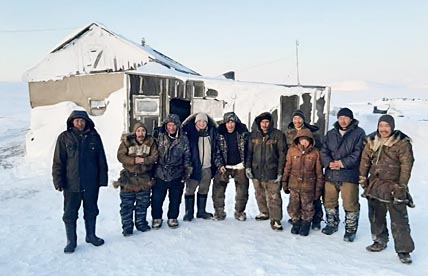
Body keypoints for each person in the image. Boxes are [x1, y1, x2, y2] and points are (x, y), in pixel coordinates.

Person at [359, 115, 415, 264]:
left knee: (399, 219)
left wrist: (401, 186)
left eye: (386, 126)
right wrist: (363, 178)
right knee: (376, 216)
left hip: (394, 185)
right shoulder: (372, 141)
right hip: (375, 184)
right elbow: (365, 160)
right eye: (381, 126)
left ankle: (404, 250)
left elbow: (406, 166)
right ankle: (379, 240)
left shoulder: (402, 143)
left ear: (392, 127)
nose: (383, 129)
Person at [52, 110, 108, 253]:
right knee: (70, 214)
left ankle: (91, 235)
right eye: (76, 120)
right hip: (71, 184)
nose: (79, 123)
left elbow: (101, 159)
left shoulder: (94, 137)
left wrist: (102, 179)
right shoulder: (64, 138)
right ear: (72, 122)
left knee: (91, 211)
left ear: (87, 122)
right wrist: (58, 180)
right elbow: (58, 161)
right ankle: (71, 241)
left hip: (91, 183)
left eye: (82, 120)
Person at [320, 107, 365, 242]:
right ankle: (332, 224)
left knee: (350, 203)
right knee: (329, 201)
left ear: (351, 119)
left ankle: (350, 229)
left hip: (349, 174)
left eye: (345, 118)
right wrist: (329, 163)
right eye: (340, 118)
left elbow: (359, 153)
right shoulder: (331, 133)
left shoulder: (359, 133)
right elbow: (323, 150)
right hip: (331, 173)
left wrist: (342, 163)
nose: (343, 121)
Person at [114, 122, 158, 236]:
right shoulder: (127, 142)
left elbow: (154, 156)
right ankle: (127, 227)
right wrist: (134, 161)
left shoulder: (151, 142)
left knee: (142, 204)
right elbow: (120, 156)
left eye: (143, 131)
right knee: (126, 206)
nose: (141, 133)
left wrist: (143, 161)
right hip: (128, 178)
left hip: (144, 178)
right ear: (135, 132)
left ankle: (141, 224)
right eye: (138, 131)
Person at [246, 112, 287, 231]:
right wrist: (248, 167)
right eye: (262, 122)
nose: (264, 124)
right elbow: (249, 153)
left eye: (267, 122)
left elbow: (282, 154)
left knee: (274, 196)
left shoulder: (278, 135)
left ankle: (276, 219)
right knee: (259, 193)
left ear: (270, 123)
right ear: (259, 123)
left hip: (272, 170)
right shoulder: (253, 135)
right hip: (256, 170)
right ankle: (264, 212)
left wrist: (280, 172)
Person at [151, 114, 192, 229]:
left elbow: (187, 156)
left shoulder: (183, 139)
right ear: (166, 125)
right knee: (157, 198)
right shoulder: (159, 136)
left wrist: (186, 171)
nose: (171, 128)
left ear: (178, 126)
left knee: (175, 198)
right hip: (160, 172)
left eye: (174, 125)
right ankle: (157, 217)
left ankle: (172, 217)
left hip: (177, 173)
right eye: (169, 125)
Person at [285, 109, 324, 230]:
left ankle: (314, 220)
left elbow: (319, 151)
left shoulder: (313, 134)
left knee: (312, 200)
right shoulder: (289, 133)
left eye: (299, 118)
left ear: (303, 119)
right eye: (295, 118)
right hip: (295, 169)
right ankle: (297, 220)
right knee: (295, 202)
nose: (297, 121)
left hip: (309, 171)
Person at [182, 112, 224, 221]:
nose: (201, 123)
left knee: (204, 189)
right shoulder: (189, 134)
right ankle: (189, 212)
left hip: (207, 167)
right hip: (193, 168)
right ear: (196, 122)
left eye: (204, 121)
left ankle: (201, 211)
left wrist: (218, 165)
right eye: (199, 121)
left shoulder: (211, 134)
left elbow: (215, 151)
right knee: (190, 190)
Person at [213, 112, 249, 221]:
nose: (230, 125)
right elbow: (216, 151)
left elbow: (249, 149)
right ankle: (219, 212)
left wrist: (246, 164)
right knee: (218, 190)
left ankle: (239, 211)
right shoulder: (219, 133)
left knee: (242, 191)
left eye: (232, 122)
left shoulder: (243, 133)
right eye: (228, 122)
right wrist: (220, 165)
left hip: (240, 166)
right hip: (224, 166)